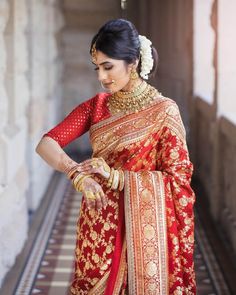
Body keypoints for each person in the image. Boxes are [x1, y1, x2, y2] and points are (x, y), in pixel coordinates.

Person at [36, 19, 196, 295]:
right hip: (99, 226)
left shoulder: (164, 113)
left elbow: (178, 180)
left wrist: (118, 178)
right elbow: (46, 143)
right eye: (97, 67)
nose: (101, 76)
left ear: (132, 63)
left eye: (108, 66)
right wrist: (76, 174)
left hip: (147, 233)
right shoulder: (96, 107)